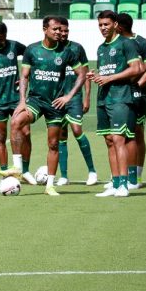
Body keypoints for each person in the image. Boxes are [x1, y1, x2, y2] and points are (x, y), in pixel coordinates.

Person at [10, 16, 85, 196]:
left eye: (60, 29)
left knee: (53, 144)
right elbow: (24, 76)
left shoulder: (66, 52)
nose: (59, 32)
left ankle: (50, 185)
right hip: (35, 101)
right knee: (16, 122)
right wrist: (22, 101)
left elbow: (82, 74)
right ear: (45, 29)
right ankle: (17, 167)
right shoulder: (32, 49)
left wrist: (68, 96)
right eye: (55, 29)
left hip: (55, 104)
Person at [88, 10, 143, 198]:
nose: (103, 28)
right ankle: (115, 183)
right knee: (109, 140)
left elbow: (137, 68)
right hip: (103, 98)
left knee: (119, 139)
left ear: (115, 25)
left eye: (106, 24)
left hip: (121, 98)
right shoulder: (101, 48)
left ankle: (124, 186)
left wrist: (109, 78)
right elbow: (105, 73)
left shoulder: (126, 43)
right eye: (100, 25)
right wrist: (96, 76)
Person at [55, 17, 98, 187]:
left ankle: (92, 171)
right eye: (60, 30)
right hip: (57, 98)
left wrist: (87, 97)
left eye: (66, 30)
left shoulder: (77, 48)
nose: (63, 33)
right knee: (61, 135)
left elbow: (85, 74)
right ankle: (64, 176)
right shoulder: (51, 49)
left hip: (74, 97)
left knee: (77, 130)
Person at [116, 13, 146, 189]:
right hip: (118, 95)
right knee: (118, 134)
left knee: (136, 132)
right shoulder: (115, 43)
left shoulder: (142, 43)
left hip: (137, 93)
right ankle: (120, 176)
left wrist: (136, 86)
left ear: (120, 26)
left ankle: (136, 177)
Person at [0, 21, 27, 176]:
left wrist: (25, 76)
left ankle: (24, 171)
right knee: (1, 136)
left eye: (3, 37)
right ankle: (5, 172)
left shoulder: (14, 46)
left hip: (16, 99)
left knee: (25, 132)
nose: (2, 41)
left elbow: (31, 56)